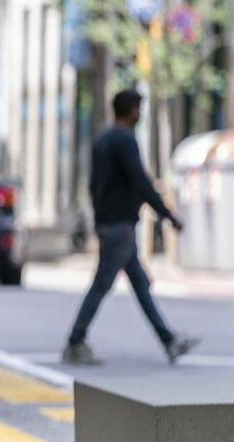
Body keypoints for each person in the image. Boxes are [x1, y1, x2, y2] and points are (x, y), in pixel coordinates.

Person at [63, 89, 198, 365]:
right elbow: (141, 182)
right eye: (139, 108)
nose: (141, 113)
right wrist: (168, 215)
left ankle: (169, 340)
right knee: (102, 285)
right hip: (119, 227)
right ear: (132, 110)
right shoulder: (124, 141)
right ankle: (75, 341)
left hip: (111, 223)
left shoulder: (102, 139)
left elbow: (93, 185)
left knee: (139, 284)